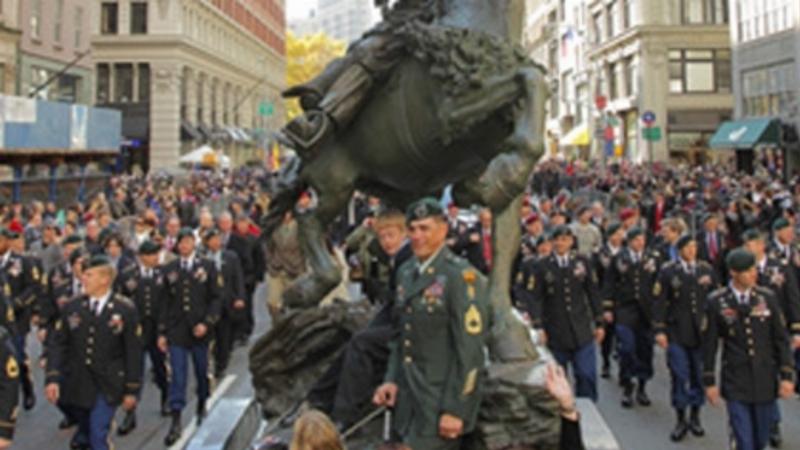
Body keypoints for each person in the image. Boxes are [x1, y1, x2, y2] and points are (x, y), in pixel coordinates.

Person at [373, 198, 490, 449]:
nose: (417, 236)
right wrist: (391, 378)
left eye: (425, 228)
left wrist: (456, 409)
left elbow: (470, 353)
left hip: (439, 404)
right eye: (412, 229)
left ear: (443, 229)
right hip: (406, 401)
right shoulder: (406, 272)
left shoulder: (461, 277)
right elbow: (400, 333)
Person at [306, 210, 412, 429]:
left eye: (391, 236)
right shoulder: (398, 257)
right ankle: (319, 396)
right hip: (395, 319)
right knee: (357, 338)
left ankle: (345, 414)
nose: (386, 242)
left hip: (411, 330)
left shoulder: (407, 257)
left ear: (404, 234)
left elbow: (402, 305)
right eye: (382, 237)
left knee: (362, 343)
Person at [45, 255, 143, 450]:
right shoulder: (73, 307)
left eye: (89, 275)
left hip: (108, 383)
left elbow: (133, 352)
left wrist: (132, 389)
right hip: (79, 382)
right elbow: (59, 343)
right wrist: (53, 377)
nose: (83, 279)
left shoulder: (125, 309)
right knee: (87, 431)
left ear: (105, 279)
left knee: (98, 435)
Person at [703, 248, 795, 450]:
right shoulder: (717, 301)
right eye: (746, 271)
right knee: (744, 440)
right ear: (734, 273)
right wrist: (709, 382)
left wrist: (787, 375)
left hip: (764, 379)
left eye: (754, 269)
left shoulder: (766, 298)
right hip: (736, 379)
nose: (753, 274)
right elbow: (709, 345)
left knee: (760, 439)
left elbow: (780, 340)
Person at [517, 225, 604, 401]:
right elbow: (535, 297)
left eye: (564, 239)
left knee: (586, 374)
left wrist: (599, 321)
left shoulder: (581, 262)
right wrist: (539, 325)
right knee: (557, 378)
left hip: (581, 328)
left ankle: (588, 409)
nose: (560, 243)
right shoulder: (542, 266)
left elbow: (592, 292)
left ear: (571, 241)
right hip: (555, 329)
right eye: (557, 239)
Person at [160, 227, 222, 446]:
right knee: (177, 374)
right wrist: (162, 331)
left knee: (201, 370)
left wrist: (207, 323)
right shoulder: (169, 269)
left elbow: (216, 298)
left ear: (194, 243)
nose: (185, 246)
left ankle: (202, 404)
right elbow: (164, 302)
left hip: (199, 330)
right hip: (177, 331)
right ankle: (176, 419)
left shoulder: (207, 266)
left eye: (188, 241)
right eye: (181, 242)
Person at [653, 235, 717, 442]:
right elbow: (660, 301)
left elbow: (715, 300)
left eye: (694, 247)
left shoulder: (706, 269)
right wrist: (660, 330)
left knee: (698, 375)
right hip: (677, 331)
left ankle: (695, 415)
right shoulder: (668, 271)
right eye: (687, 247)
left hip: (701, 332)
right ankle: (680, 417)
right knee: (680, 375)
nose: (692, 251)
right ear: (680, 249)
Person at [115, 240, 170, 436]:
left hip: (155, 327)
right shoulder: (128, 275)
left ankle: (166, 397)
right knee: (133, 371)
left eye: (157, 253)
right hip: (135, 329)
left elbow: (166, 302)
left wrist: (164, 330)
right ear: (142, 257)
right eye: (152, 254)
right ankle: (130, 413)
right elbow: (120, 301)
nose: (156, 257)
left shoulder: (162, 274)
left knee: (160, 366)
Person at [602, 226, 659, 408]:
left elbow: (659, 284)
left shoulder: (653, 258)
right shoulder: (619, 259)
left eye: (642, 239)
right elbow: (609, 283)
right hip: (625, 309)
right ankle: (628, 383)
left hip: (646, 310)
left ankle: (642, 386)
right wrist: (608, 307)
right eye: (636, 240)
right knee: (626, 347)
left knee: (645, 348)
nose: (639, 243)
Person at [0, 228, 38, 410]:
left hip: (16, 320)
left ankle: (27, 387)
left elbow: (33, 288)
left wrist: (17, 303)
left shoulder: (22, 262)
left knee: (17, 356)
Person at [202, 227, 246, 378]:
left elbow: (238, 278)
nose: (215, 242)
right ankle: (210, 364)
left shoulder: (231, 257)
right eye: (211, 240)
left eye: (217, 239)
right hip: (209, 303)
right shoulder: (203, 260)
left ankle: (222, 361)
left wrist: (240, 297)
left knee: (224, 334)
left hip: (227, 301)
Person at [592, 222, 624, 379]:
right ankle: (605, 361)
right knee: (608, 332)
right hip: (605, 296)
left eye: (620, 234)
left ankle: (620, 354)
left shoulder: (625, 252)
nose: (618, 237)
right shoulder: (600, 254)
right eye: (615, 234)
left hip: (623, 298)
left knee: (623, 332)